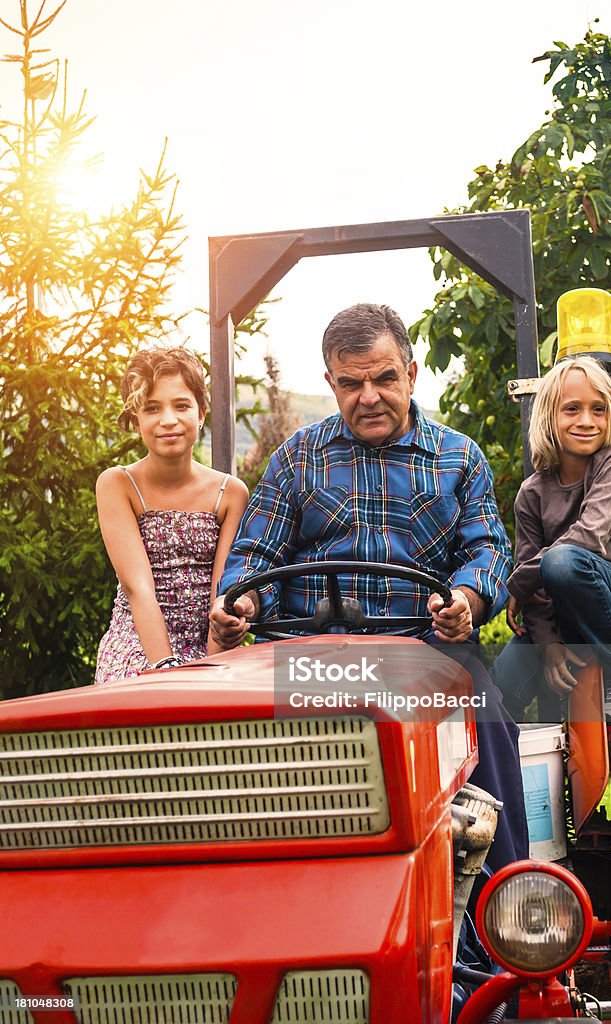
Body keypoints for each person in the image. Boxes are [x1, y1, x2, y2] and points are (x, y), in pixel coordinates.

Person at [209, 302, 528, 871]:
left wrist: (465, 601)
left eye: (383, 378)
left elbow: (487, 552)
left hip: (423, 646)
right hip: (310, 648)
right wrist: (242, 601)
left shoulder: (459, 457)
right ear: (331, 383)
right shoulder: (297, 459)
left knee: (486, 713)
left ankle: (506, 903)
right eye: (351, 383)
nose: (369, 396)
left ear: (411, 372)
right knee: (229, 729)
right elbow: (255, 553)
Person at [492, 355, 611, 723]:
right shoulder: (531, 493)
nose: (587, 420)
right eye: (572, 409)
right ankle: (517, 764)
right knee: (502, 680)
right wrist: (549, 644)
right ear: (549, 418)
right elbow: (535, 596)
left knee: (563, 560)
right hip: (566, 608)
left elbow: (587, 537)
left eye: (598, 409)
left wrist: (520, 582)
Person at [94, 347, 248, 684]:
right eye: (152, 409)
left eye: (181, 405)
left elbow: (222, 590)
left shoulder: (231, 492)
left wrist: (210, 669)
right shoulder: (117, 484)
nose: (168, 420)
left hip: (209, 646)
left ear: (201, 412)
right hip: (139, 644)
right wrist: (165, 670)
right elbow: (138, 588)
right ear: (136, 420)